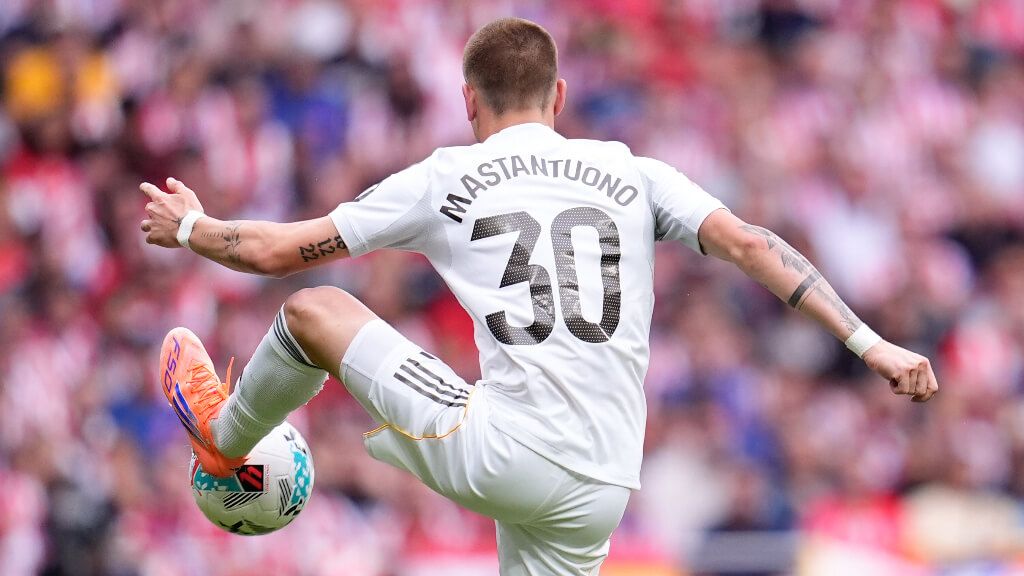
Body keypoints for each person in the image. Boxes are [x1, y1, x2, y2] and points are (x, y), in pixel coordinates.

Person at [139, 17, 938, 576]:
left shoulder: (448, 177)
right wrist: (874, 344)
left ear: (468, 102)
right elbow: (756, 245)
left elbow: (279, 250)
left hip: (512, 451)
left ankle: (225, 433)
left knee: (316, 312)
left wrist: (191, 227)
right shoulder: (633, 170)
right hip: (604, 487)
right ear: (559, 100)